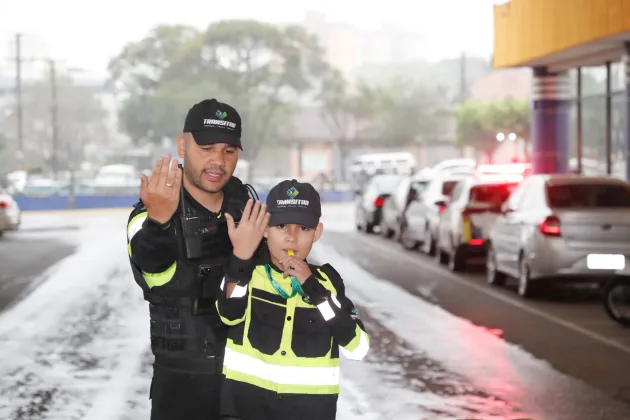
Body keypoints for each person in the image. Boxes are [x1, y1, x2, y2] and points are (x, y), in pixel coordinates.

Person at [126, 98, 262, 420]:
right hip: (182, 380)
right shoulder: (149, 211)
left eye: (228, 151)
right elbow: (152, 274)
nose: (218, 161)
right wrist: (159, 222)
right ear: (182, 146)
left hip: (248, 376)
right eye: (207, 148)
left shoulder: (248, 209)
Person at [216, 179, 370, 420]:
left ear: (317, 232)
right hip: (245, 408)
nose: (291, 237)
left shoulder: (327, 285)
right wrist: (239, 260)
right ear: (265, 230)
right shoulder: (247, 274)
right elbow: (228, 313)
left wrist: (315, 292)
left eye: (304, 229)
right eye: (281, 226)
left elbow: (358, 348)